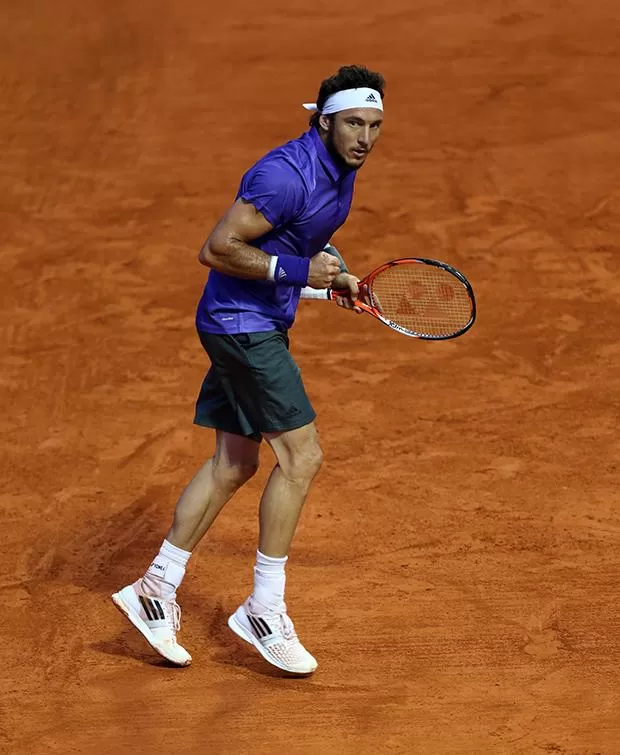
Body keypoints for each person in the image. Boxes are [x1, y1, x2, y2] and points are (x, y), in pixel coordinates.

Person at [112, 64, 385, 674]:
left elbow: (301, 242)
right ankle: (264, 608)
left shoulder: (341, 171)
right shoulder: (284, 175)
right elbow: (217, 248)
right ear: (323, 122)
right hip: (242, 329)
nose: (364, 137)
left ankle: (154, 588)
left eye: (374, 125)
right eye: (352, 124)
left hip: (255, 322)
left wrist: (331, 278)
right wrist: (295, 275)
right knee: (302, 455)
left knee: (234, 462)